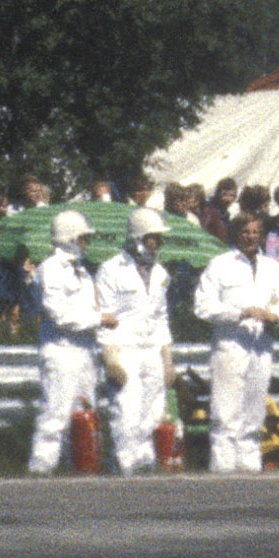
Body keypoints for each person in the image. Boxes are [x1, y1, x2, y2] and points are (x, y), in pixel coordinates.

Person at [194, 208, 279, 474]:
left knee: (255, 411)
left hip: (261, 345)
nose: (251, 237)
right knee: (226, 412)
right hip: (230, 344)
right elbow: (203, 306)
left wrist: (274, 315)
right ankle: (223, 470)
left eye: (256, 232)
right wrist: (239, 313)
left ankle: (249, 468)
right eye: (246, 232)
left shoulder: (272, 267)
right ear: (237, 233)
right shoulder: (220, 264)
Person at [98, 202, 182, 472]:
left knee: (155, 411)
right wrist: (110, 358)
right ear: (137, 238)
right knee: (126, 411)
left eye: (159, 238)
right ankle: (125, 467)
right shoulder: (110, 269)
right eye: (151, 238)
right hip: (124, 350)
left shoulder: (160, 274)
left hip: (152, 352)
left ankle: (147, 470)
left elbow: (162, 319)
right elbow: (102, 317)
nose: (156, 243)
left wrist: (168, 361)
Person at [25, 206, 108, 473]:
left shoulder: (83, 272)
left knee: (85, 413)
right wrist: (99, 319)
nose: (87, 243)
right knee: (56, 413)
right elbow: (59, 315)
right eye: (84, 238)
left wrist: (100, 317)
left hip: (85, 350)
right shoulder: (50, 269)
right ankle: (41, 468)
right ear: (70, 238)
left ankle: (82, 468)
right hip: (61, 349)